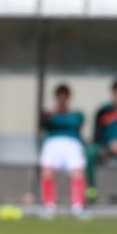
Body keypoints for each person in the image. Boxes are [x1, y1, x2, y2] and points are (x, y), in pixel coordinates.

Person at [39, 84, 87, 218]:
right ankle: (49, 206)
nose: (62, 99)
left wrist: (58, 118)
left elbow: (76, 122)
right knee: (47, 171)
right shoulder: (49, 115)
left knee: (77, 172)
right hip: (52, 143)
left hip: (72, 143)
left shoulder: (76, 114)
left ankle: (78, 206)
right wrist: (53, 115)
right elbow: (44, 123)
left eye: (64, 96)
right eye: (59, 96)